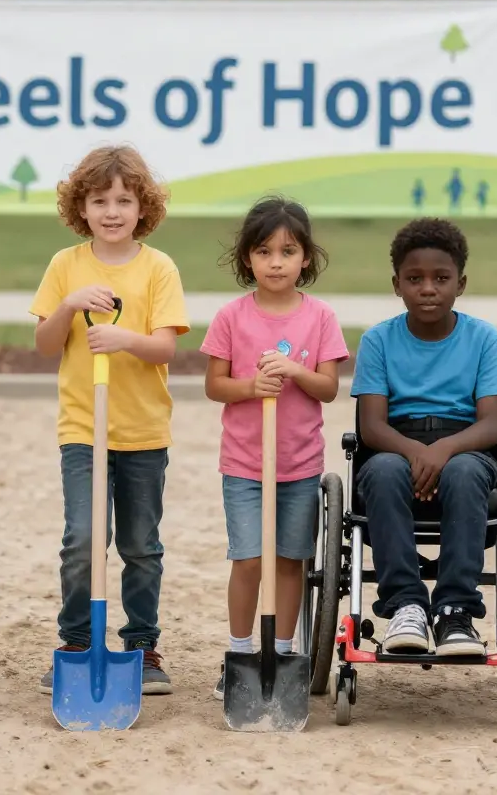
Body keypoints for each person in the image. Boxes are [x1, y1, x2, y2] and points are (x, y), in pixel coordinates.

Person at [30, 145, 189, 695]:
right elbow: (46, 343)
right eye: (100, 200)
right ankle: (76, 642)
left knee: (141, 545)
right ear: (83, 207)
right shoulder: (65, 266)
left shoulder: (158, 267)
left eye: (124, 199)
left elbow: (166, 348)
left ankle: (142, 644)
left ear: (143, 206)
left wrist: (126, 339)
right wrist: (69, 306)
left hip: (143, 431)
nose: (113, 210)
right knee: (82, 538)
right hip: (82, 429)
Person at [199, 195, 349, 699]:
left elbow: (329, 387)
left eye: (288, 251)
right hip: (244, 464)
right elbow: (214, 385)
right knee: (247, 560)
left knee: (289, 561)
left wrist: (295, 372)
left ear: (306, 257)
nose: (276, 262)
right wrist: (251, 388)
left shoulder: (320, 317)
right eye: (264, 252)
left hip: (300, 464)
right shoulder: (231, 317)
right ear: (247, 258)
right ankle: (240, 651)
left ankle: (282, 650)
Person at [349, 218, 497, 657]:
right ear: (397, 284)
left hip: (466, 449)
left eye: (441, 279)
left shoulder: (484, 339)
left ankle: (455, 611)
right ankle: (406, 605)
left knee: (462, 471)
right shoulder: (378, 341)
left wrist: (442, 449)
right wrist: (416, 452)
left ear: (460, 284)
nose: (428, 288)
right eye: (415, 279)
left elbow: (491, 425)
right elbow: (371, 427)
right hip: (394, 446)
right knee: (382, 471)